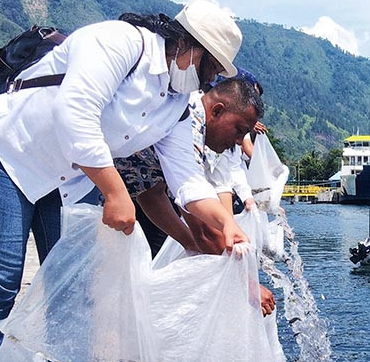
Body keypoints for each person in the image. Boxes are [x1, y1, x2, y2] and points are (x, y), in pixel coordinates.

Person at [0, 1, 248, 362]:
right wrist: (114, 192)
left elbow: (186, 179)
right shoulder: (118, 42)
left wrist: (226, 227)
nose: (208, 83)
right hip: (7, 151)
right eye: (209, 70)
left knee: (74, 288)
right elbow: (76, 112)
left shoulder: (178, 103)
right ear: (189, 46)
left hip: (65, 175)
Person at [115, 76, 276, 315]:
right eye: (238, 131)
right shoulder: (187, 124)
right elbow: (201, 223)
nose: (236, 143)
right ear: (217, 110)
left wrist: (189, 242)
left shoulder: (184, 118)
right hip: (63, 161)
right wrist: (248, 286)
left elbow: (149, 192)